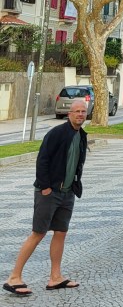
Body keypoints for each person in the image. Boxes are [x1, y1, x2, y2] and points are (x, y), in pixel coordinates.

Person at [3, 98, 88, 296]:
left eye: (83, 111)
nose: (80, 114)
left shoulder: (81, 135)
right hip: (49, 192)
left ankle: (55, 277)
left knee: (61, 232)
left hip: (67, 193)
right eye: (76, 111)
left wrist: (73, 187)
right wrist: (46, 187)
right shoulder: (57, 133)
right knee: (38, 232)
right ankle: (14, 277)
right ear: (69, 114)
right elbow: (42, 159)